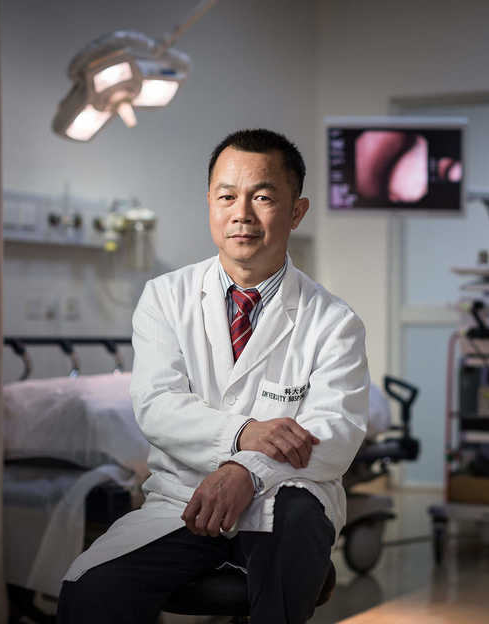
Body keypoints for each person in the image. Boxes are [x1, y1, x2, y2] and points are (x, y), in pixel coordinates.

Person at [57, 129, 369, 624]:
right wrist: (244, 433)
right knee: (89, 592)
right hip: (184, 503)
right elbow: (157, 406)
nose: (241, 212)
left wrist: (247, 470)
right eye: (227, 196)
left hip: (284, 504)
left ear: (297, 211)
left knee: (292, 528)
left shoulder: (333, 320)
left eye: (263, 197)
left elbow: (336, 434)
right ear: (210, 203)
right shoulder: (165, 298)